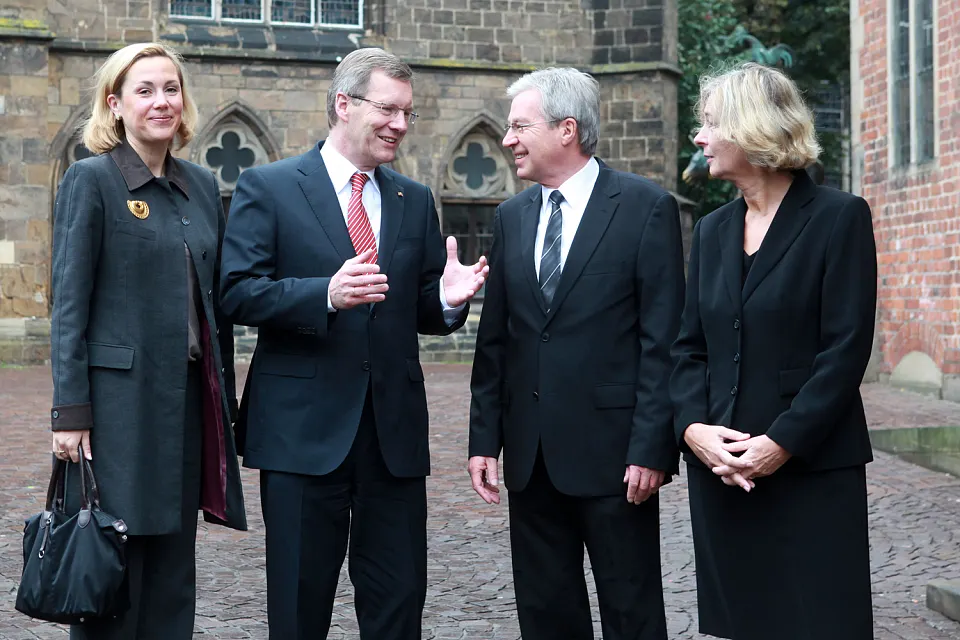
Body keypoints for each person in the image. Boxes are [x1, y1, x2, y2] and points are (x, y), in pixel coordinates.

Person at [219, 47, 488, 639]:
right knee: (298, 604)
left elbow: (417, 306)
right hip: (300, 434)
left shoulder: (412, 200)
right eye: (387, 109)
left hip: (390, 436)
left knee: (397, 602)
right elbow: (236, 292)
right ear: (343, 104)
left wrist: (447, 299)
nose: (399, 124)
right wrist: (323, 295)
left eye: (407, 113)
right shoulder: (269, 187)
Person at [468, 67, 685, 640]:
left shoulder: (645, 207)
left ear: (567, 130)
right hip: (531, 458)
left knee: (631, 610)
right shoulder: (511, 218)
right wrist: (483, 440)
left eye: (520, 126)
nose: (508, 138)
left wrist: (652, 447)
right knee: (544, 612)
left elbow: (662, 342)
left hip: (617, 460)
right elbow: (497, 342)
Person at [670, 62, 877, 640]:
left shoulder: (839, 217)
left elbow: (844, 350)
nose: (699, 137)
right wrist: (693, 430)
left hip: (810, 470)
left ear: (752, 128)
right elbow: (688, 349)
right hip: (726, 472)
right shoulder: (712, 230)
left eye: (710, 123)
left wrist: (782, 443)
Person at [49, 42, 247, 639]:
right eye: (144, 90)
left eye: (170, 89)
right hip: (117, 408)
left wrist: (227, 406)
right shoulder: (92, 180)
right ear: (114, 105)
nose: (161, 101)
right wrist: (71, 411)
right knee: (114, 564)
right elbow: (68, 305)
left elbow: (216, 308)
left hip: (186, 401)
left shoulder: (201, 186)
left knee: (173, 565)